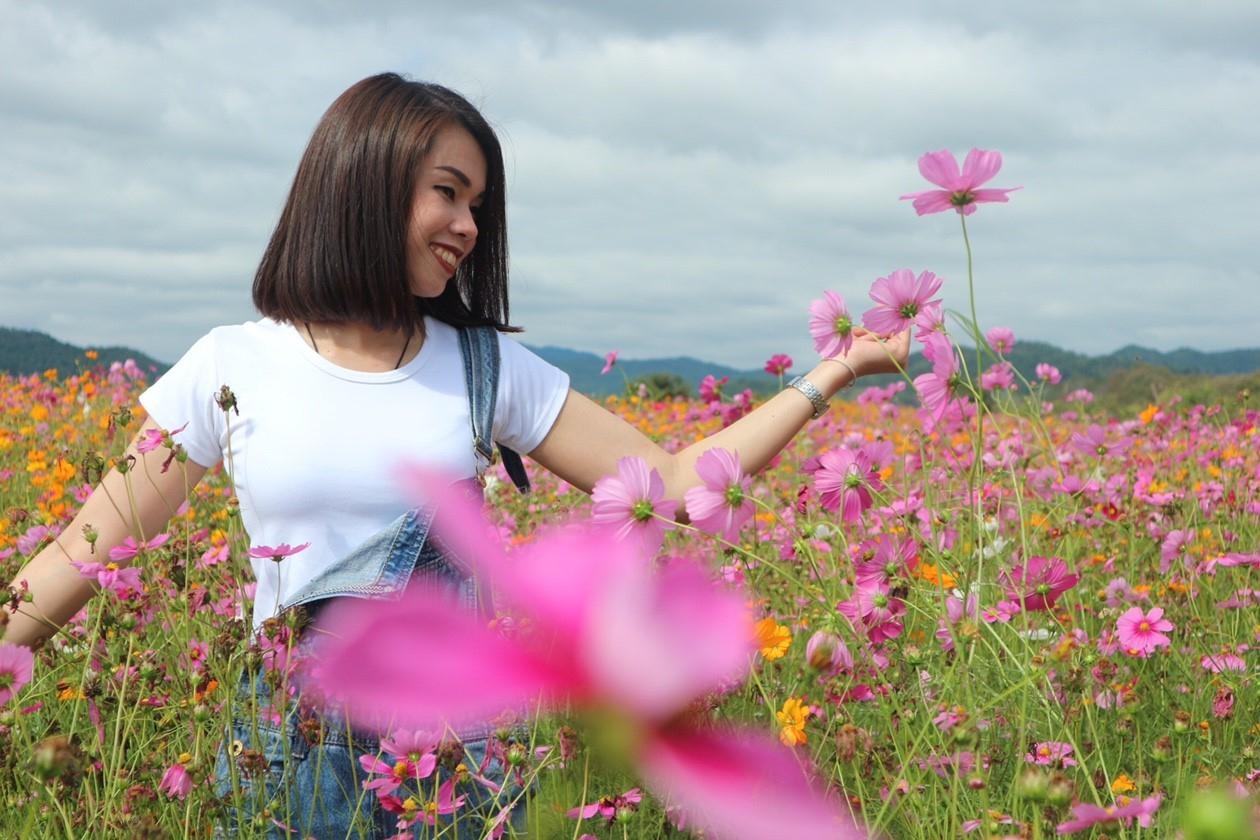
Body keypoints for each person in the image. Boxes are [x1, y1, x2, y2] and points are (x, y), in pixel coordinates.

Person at [3, 73, 909, 837]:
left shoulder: (483, 368)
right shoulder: (230, 364)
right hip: (284, 756)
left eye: (478, 204)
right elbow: (89, 547)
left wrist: (833, 372)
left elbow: (671, 483)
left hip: (448, 763)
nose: (469, 225)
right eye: (448, 192)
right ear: (363, 181)